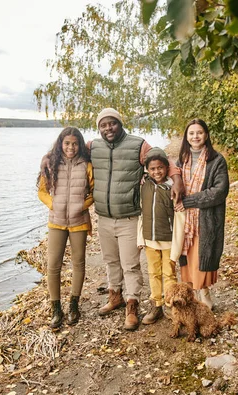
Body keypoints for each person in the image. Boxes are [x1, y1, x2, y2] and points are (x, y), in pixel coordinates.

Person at [40, 108, 184, 331]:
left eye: (112, 123)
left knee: (130, 264)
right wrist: (47, 158)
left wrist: (176, 179)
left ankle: (132, 305)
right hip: (104, 217)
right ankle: (115, 297)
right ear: (99, 127)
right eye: (103, 124)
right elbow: (68, 151)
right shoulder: (93, 147)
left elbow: (159, 156)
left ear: (120, 123)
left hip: (129, 216)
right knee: (111, 261)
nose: (108, 128)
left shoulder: (137, 145)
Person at [37, 127, 94, 329]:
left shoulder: (87, 165)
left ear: (80, 144)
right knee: (53, 265)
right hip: (56, 221)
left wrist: (82, 205)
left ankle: (74, 305)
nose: (71, 147)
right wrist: (53, 204)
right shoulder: (52, 164)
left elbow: (94, 191)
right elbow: (42, 191)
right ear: (61, 143)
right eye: (67, 143)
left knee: (78, 263)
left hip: (79, 221)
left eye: (75, 143)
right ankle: (56, 309)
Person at [174, 118, 229, 310]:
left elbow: (219, 192)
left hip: (206, 218)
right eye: (191, 133)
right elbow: (171, 182)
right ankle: (189, 295)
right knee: (187, 257)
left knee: (201, 256)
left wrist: (188, 202)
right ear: (186, 137)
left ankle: (204, 292)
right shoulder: (180, 160)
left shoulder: (217, 160)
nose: (195, 136)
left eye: (199, 132)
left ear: (206, 135)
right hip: (184, 219)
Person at [136, 148, 185, 324]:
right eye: (152, 168)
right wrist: (140, 238)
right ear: (147, 170)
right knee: (153, 272)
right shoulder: (145, 185)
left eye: (160, 168)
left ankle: (170, 304)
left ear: (167, 167)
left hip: (168, 239)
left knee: (169, 273)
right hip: (150, 238)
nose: (157, 172)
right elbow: (142, 212)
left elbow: (179, 217)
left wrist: (178, 243)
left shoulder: (173, 187)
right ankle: (156, 304)